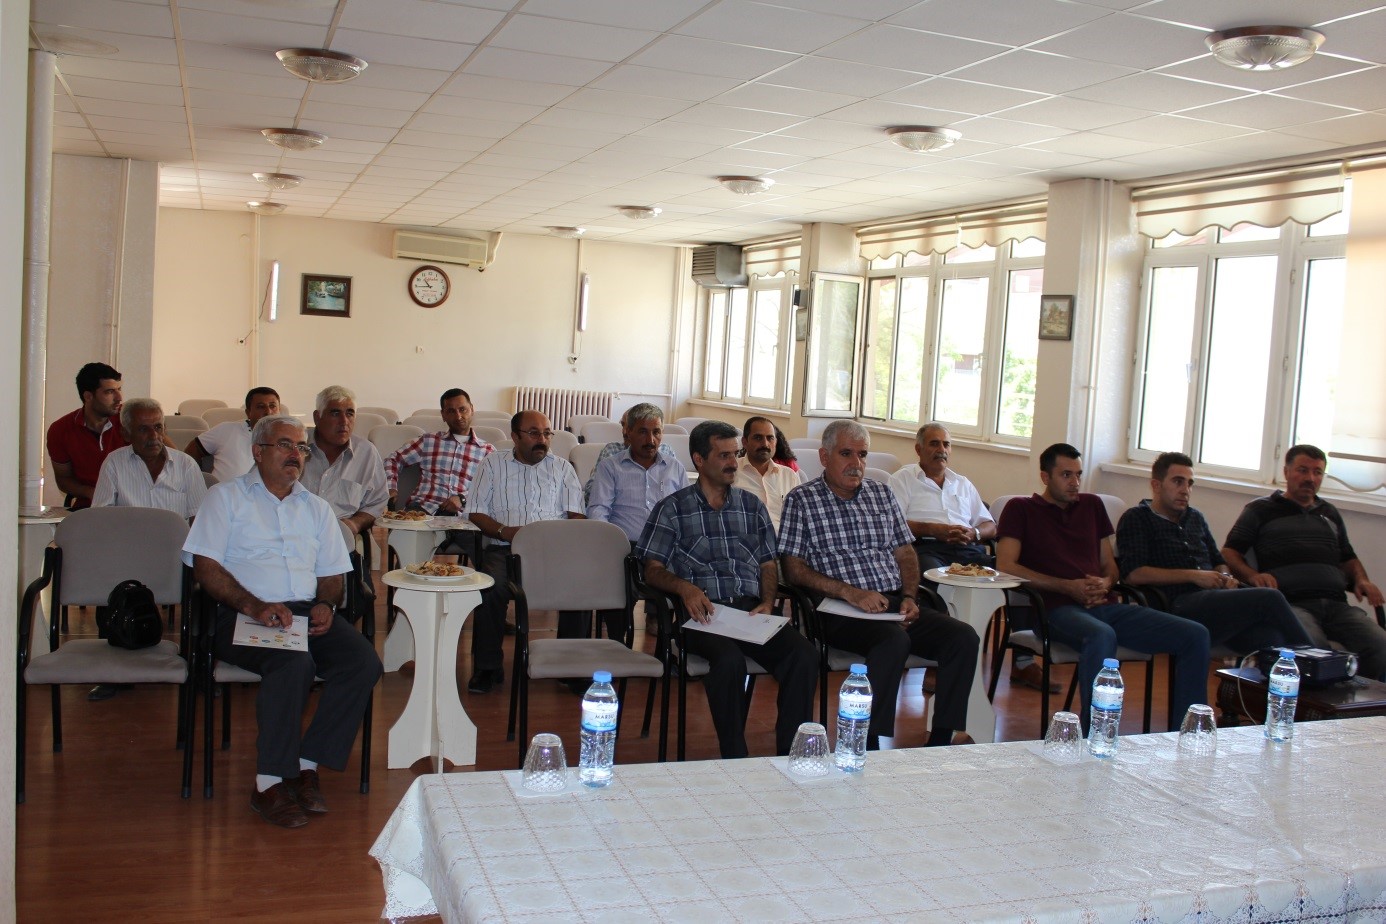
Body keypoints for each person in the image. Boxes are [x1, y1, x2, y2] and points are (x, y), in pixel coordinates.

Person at [183, 414, 381, 829]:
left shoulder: (317, 508)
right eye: (286, 445)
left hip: (305, 613)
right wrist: (254, 605)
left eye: (302, 447)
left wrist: (326, 603)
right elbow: (206, 568)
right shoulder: (225, 498)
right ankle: (269, 783)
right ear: (258, 452)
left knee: (362, 662)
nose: (296, 454)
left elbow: (332, 574)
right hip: (241, 613)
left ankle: (306, 766)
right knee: (293, 663)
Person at [779, 420, 979, 749]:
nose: (856, 463)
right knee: (892, 640)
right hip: (838, 608)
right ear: (824, 457)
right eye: (846, 454)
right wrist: (850, 593)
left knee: (963, 637)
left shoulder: (881, 494)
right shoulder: (802, 499)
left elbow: (906, 553)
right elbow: (793, 569)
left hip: (891, 602)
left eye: (862, 455)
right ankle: (866, 741)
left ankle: (941, 738)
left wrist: (910, 596)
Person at [638, 420, 817, 759]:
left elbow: (768, 563)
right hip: (701, 616)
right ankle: (734, 754)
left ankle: (791, 752)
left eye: (735, 454)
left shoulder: (751, 506)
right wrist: (685, 589)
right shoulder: (673, 509)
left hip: (749, 611)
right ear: (699, 459)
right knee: (729, 661)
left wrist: (767, 601)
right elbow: (652, 570)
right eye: (724, 455)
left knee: (803, 655)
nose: (734, 462)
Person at [995, 443, 1210, 723]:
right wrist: (1066, 587)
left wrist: (1106, 583)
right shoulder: (1021, 508)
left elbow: (1111, 567)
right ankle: (1095, 731)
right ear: (1045, 477)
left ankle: (1189, 728)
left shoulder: (1092, 506)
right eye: (1066, 475)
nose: (1075, 483)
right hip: (1054, 610)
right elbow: (1005, 566)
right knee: (1101, 635)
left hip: (1103, 606)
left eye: (1078, 475)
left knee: (1195, 634)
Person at [1117, 452, 1313, 655]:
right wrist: (1194, 575)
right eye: (1178, 482)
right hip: (1175, 604)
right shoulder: (1137, 517)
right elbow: (1134, 573)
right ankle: (1318, 659)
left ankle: (1303, 670)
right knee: (1269, 597)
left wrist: (1226, 576)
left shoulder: (1195, 517)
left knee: (1270, 639)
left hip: (1214, 601)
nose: (1185, 490)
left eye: (1190, 484)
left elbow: (1218, 560)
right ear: (1156, 485)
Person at [1222, 444, 1386, 680]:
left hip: (1336, 605)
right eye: (1303, 470)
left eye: (1317, 472)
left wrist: (1362, 580)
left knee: (1380, 645)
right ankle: (1320, 702)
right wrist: (1253, 576)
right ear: (1286, 472)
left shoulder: (1329, 513)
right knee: (1315, 653)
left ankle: (1363, 700)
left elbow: (1348, 557)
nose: (1310, 478)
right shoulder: (1260, 510)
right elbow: (1229, 552)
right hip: (1292, 604)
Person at [466, 410, 584, 693]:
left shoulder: (562, 468)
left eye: (546, 433)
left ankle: (570, 666)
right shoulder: (492, 464)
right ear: (515, 436)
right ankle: (487, 667)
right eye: (533, 433)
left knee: (579, 584)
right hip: (505, 548)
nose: (542, 439)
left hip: (553, 551)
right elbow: (476, 511)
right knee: (490, 586)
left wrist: (559, 541)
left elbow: (577, 515)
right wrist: (505, 531)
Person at [889, 422, 995, 572]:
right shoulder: (902, 479)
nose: (941, 450)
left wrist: (974, 533)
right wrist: (932, 529)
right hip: (925, 549)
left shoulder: (962, 483)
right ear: (918, 449)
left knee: (999, 573)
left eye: (946, 445)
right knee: (936, 575)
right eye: (934, 444)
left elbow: (990, 526)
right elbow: (892, 524)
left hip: (967, 549)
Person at [92, 398, 207, 520]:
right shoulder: (113, 463)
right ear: (126, 434)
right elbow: (100, 517)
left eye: (158, 427)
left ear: (165, 429)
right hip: (129, 533)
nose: (153, 436)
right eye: (143, 429)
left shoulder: (186, 464)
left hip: (176, 533)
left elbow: (200, 518)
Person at [587, 402, 685, 542]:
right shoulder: (610, 467)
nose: (650, 440)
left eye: (656, 432)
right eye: (643, 432)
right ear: (629, 432)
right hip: (624, 547)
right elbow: (598, 510)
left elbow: (687, 511)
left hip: (667, 546)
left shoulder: (675, 467)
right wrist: (606, 543)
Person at [300, 385, 388, 540]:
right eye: (335, 413)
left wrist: (355, 524)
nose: (344, 421)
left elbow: (376, 502)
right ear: (317, 417)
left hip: (340, 538)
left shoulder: (366, 453)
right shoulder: (295, 447)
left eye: (350, 414)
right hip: (294, 534)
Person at [385, 387, 492, 514]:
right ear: (443, 415)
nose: (458, 416)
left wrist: (463, 499)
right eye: (451, 411)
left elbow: (493, 487)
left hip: (462, 517)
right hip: (422, 511)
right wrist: (390, 488)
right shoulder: (428, 441)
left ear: (472, 409)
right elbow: (393, 460)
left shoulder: (487, 451)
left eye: (462, 409)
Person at [46, 361, 127, 509]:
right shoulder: (60, 429)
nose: (119, 397)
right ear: (88, 396)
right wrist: (90, 492)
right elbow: (63, 479)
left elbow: (169, 456)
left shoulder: (131, 420)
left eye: (119, 389)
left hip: (133, 504)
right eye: (109, 392)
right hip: (89, 507)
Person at [185, 387, 281, 483]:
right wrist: (198, 481)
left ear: (279, 411)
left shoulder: (287, 437)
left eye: (272, 406)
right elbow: (192, 451)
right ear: (248, 413)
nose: (268, 412)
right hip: (225, 491)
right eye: (261, 407)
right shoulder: (226, 430)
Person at [582, 407, 678, 503]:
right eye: (623, 425)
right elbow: (591, 493)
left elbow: (678, 494)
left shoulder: (666, 451)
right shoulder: (611, 451)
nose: (624, 432)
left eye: (628, 427)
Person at [733, 415, 800, 531]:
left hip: (783, 539)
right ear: (744, 442)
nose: (765, 444)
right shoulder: (731, 472)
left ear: (776, 442)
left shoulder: (789, 476)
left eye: (770, 438)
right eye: (758, 438)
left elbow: (799, 516)